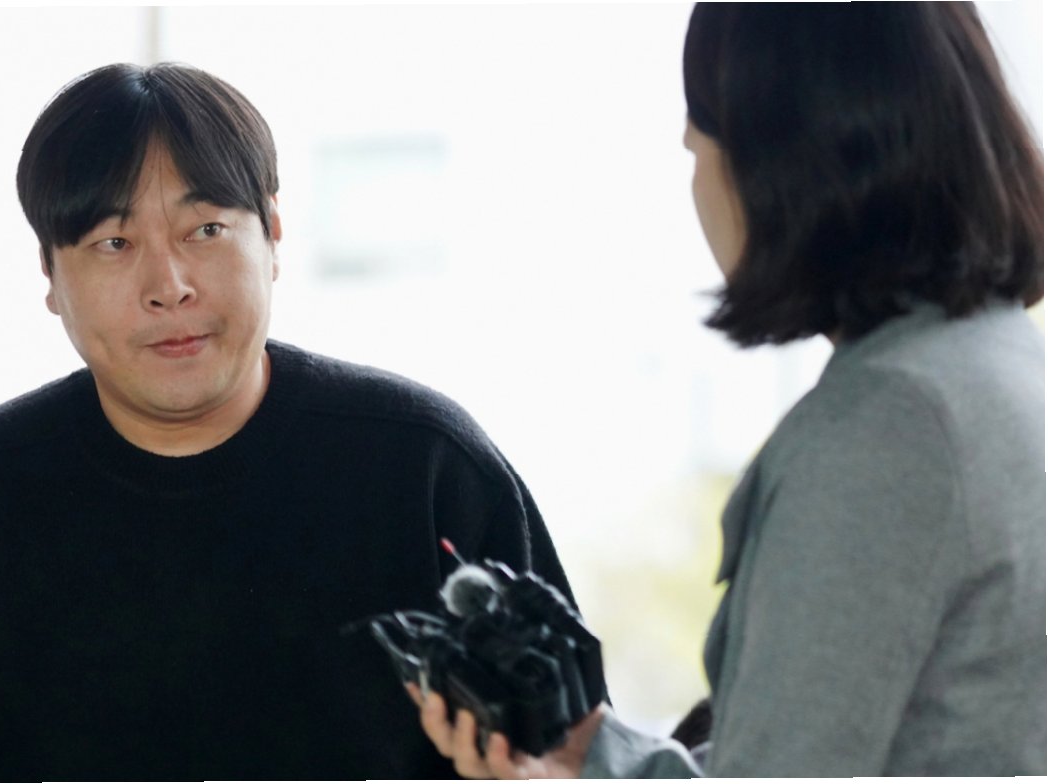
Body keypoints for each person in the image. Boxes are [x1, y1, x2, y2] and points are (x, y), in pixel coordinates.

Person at [0, 62, 587, 782]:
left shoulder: (427, 471)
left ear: (272, 233)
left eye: (205, 229)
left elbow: (572, 754)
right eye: (114, 243)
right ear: (50, 273)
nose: (169, 287)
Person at [411, 2, 1045, 777]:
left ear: (778, 162)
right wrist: (599, 758)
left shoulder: (886, 429)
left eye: (698, 147)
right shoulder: (997, 362)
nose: (697, 185)